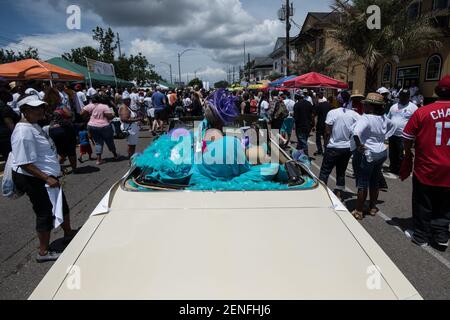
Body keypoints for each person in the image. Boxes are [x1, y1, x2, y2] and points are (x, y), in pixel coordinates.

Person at [11, 94, 76, 262]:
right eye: (34, 108)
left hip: (47, 175)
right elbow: (25, 162)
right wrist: (46, 178)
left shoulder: (33, 124)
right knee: (44, 212)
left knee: (61, 204)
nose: (40, 110)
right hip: (36, 179)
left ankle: (68, 233)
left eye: (41, 107)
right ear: (24, 110)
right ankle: (43, 252)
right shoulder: (23, 132)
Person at [401, 75, 450, 249]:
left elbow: (407, 137)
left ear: (437, 92)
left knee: (423, 201)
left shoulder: (422, 111)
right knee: (445, 203)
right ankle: (441, 233)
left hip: (426, 167)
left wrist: (408, 155)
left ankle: (421, 235)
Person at [351, 93, 396, 220]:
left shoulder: (366, 118)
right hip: (381, 152)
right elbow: (393, 126)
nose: (363, 105)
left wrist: (359, 145)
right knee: (375, 181)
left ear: (370, 106)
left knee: (363, 182)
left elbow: (356, 132)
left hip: (368, 152)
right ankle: (372, 207)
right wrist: (385, 139)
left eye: (365, 104)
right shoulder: (384, 118)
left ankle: (359, 210)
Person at [319, 101, 360, 200]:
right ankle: (339, 193)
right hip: (346, 147)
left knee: (325, 171)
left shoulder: (332, 112)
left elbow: (328, 131)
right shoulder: (354, 114)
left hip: (333, 146)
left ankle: (321, 194)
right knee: (341, 171)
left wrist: (325, 144)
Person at [80, 94, 119, 165]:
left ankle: (98, 160)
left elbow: (81, 113)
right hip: (104, 126)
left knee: (98, 142)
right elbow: (109, 117)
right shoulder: (104, 106)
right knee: (109, 141)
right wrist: (113, 115)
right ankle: (115, 155)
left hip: (92, 125)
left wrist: (88, 117)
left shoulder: (89, 106)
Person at [387, 89, 418, 175]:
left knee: (402, 154)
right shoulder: (393, 106)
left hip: (404, 136)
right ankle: (393, 168)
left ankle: (402, 169)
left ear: (409, 97)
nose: (403, 98)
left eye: (405, 96)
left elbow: (417, 122)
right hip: (392, 134)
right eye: (401, 96)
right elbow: (388, 119)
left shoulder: (413, 108)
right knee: (392, 153)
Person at [119, 92, 142, 161]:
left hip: (132, 128)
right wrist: (138, 119)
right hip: (130, 129)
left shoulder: (127, 107)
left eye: (129, 99)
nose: (129, 101)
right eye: (127, 100)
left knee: (132, 145)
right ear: (123, 100)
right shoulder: (124, 107)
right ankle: (130, 160)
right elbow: (124, 119)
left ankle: (131, 158)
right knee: (131, 145)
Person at [0, 82, 19, 159]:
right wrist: (17, 137)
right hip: (6, 138)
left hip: (3, 137)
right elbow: (10, 124)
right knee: (11, 159)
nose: (10, 93)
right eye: (7, 92)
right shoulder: (5, 108)